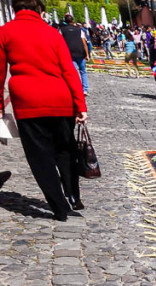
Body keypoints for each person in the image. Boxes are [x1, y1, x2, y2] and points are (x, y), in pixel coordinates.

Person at [0, 0, 88, 221]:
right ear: (39, 9)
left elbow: (0, 74)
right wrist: (80, 105)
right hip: (60, 98)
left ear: (13, 8)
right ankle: (72, 195)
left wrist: (0, 106)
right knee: (65, 151)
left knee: (41, 157)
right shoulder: (52, 33)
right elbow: (69, 70)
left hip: (28, 101)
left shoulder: (4, 32)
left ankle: (59, 207)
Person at [59, 14, 89, 95]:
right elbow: (84, 43)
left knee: (74, 73)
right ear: (73, 21)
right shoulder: (79, 30)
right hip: (80, 52)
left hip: (69, 54)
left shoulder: (62, 30)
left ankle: (76, 89)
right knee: (83, 71)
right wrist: (87, 54)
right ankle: (85, 89)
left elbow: (60, 43)